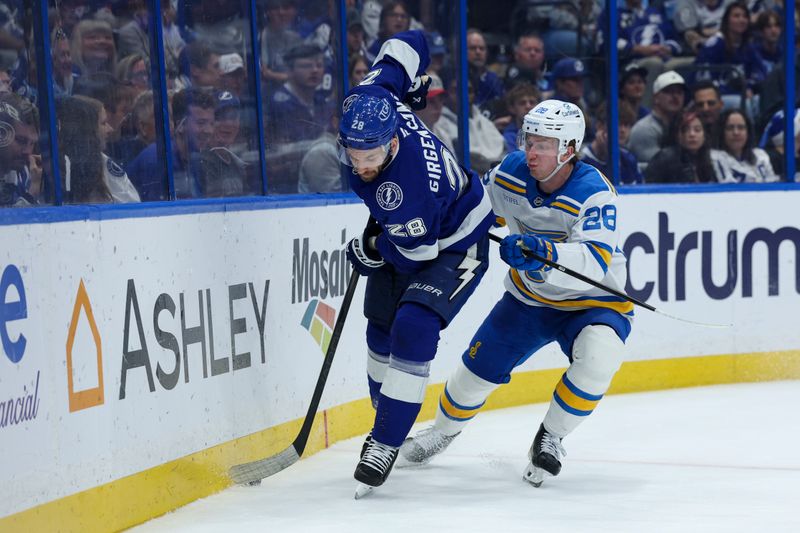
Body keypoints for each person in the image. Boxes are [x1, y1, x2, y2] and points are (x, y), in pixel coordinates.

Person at [398, 100, 633, 489]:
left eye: (544, 144)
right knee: (473, 376)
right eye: (529, 140)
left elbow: (593, 262)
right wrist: (423, 217)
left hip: (595, 303)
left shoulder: (595, 193)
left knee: (600, 357)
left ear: (569, 150)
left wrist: (541, 252)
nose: (531, 152)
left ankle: (551, 437)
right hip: (529, 300)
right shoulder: (510, 172)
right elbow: (471, 211)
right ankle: (441, 432)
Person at [338, 29, 494, 495]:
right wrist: (411, 82)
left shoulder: (408, 189)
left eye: (371, 155)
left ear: (391, 143)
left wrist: (373, 247)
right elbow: (409, 42)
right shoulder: (372, 97)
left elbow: (417, 255)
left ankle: (384, 441)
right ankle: (388, 414)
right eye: (352, 153)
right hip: (410, 230)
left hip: (456, 241)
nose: (361, 165)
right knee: (378, 327)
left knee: (413, 325)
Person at [628, 70, 686, 166]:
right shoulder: (645, 129)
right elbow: (657, 168)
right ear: (656, 98)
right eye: (668, 92)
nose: (675, 96)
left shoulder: (686, 125)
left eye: (679, 92)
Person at [645, 108, 716, 183]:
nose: (692, 134)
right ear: (676, 135)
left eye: (697, 130)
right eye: (685, 130)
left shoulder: (711, 158)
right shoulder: (664, 159)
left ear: (704, 135)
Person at [581, 101, 643, 184]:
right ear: (599, 126)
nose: (623, 130)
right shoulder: (581, 161)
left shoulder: (629, 159)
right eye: (618, 124)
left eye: (626, 125)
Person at [711, 108, 778, 182]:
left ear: (748, 132)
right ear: (721, 132)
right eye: (730, 128)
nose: (736, 132)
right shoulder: (715, 157)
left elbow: (773, 183)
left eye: (741, 127)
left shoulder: (761, 155)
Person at [0, 92, 41, 206]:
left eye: (32, 143)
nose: (28, 152)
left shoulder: (25, 174)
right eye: (21, 140)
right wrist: (32, 193)